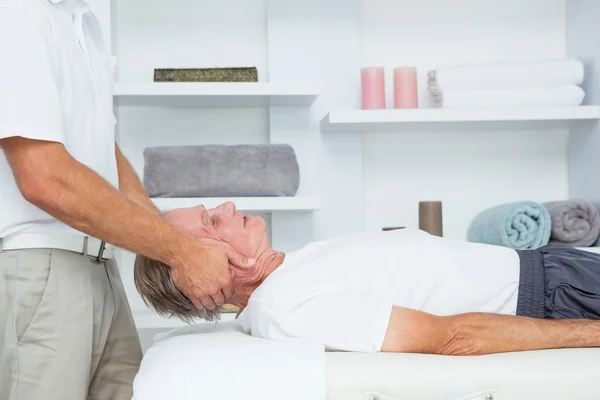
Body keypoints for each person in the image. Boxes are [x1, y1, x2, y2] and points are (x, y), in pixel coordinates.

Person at [0, 1, 253, 399]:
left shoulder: (84, 26)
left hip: (101, 266)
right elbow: (43, 176)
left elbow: (104, 156)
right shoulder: (18, 14)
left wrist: (175, 244)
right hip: (44, 265)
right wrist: (182, 251)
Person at [135, 202, 600, 355]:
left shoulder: (287, 277)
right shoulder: (285, 307)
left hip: (553, 269)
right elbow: (450, 338)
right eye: (213, 223)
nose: (229, 208)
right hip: (556, 297)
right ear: (207, 274)